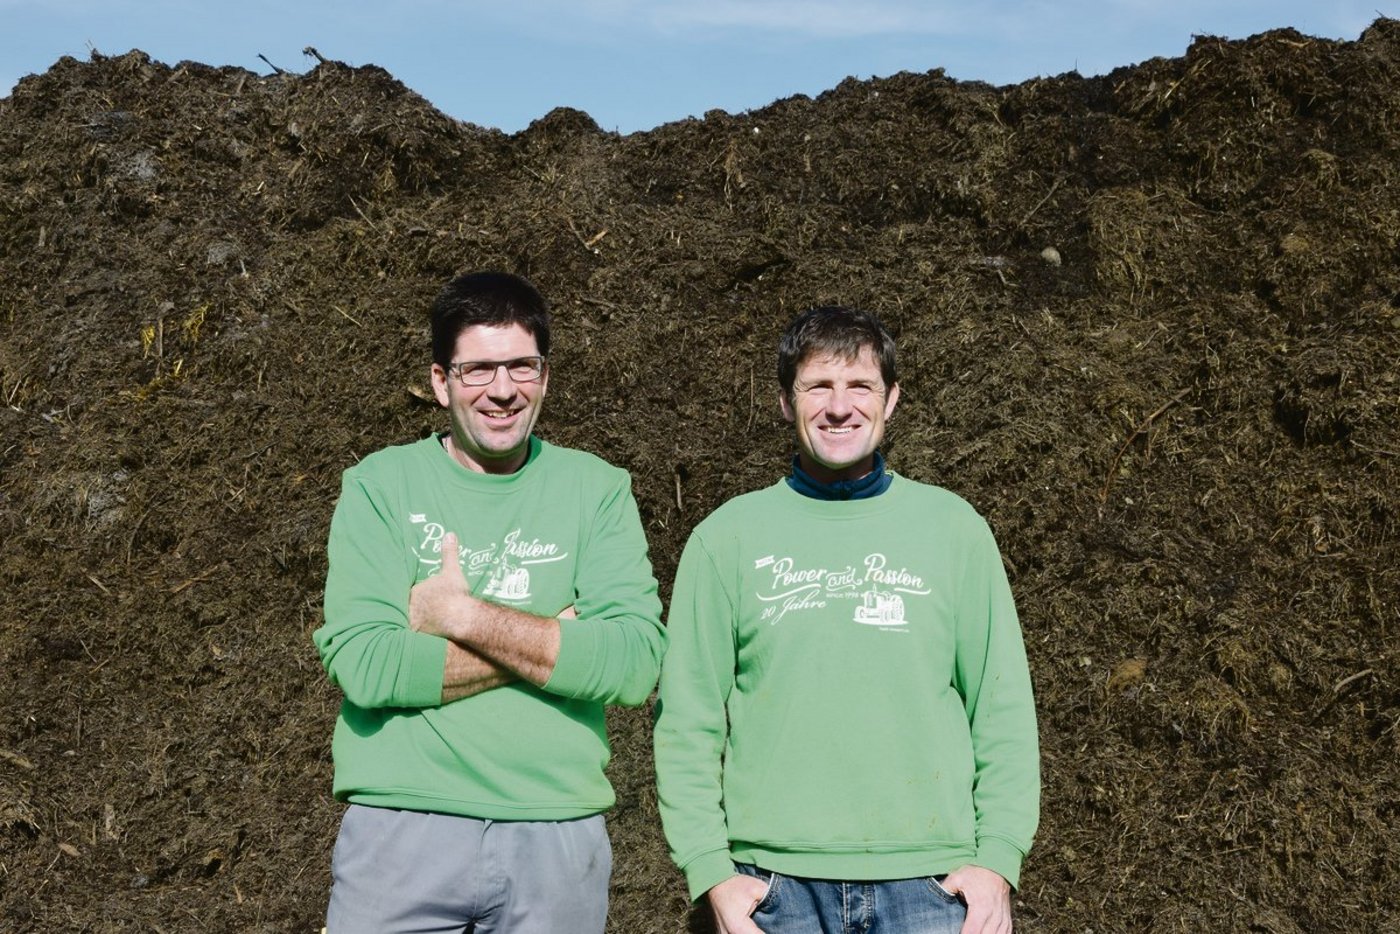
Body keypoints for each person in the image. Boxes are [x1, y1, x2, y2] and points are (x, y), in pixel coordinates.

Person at [653, 306, 1039, 934]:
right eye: (818, 387)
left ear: (891, 400)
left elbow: (1001, 711)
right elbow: (687, 721)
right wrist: (710, 869)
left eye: (860, 386)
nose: (840, 407)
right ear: (785, 402)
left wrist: (997, 861)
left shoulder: (955, 532)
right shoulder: (726, 539)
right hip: (770, 889)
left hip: (931, 887)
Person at [313, 271, 665, 934]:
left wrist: (462, 618)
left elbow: (632, 662)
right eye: (478, 370)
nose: (502, 390)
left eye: (521, 367)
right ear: (441, 382)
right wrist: (552, 644)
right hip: (400, 828)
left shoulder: (596, 490)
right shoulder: (380, 487)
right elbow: (366, 664)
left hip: (557, 836)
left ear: (545, 376)